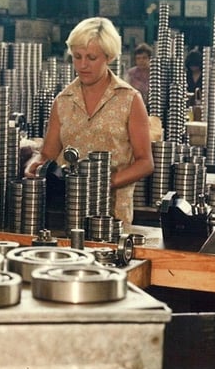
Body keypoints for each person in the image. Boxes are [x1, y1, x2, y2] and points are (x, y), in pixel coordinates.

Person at [25, 17, 154, 224]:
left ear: (109, 57)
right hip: (68, 214)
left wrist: (104, 183)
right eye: (77, 56)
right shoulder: (63, 101)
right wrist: (34, 163)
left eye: (91, 57)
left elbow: (145, 162)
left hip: (112, 217)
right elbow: (47, 154)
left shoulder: (129, 99)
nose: (83, 65)